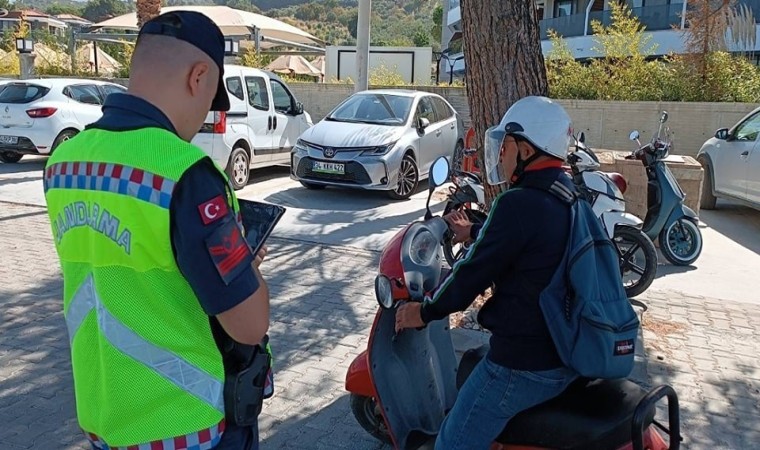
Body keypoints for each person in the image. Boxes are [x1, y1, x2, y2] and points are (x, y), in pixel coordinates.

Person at [42, 11, 270, 450]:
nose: (205, 114)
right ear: (199, 77)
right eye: (211, 99)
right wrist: (250, 269)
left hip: (104, 416)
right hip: (185, 425)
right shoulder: (185, 174)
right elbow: (249, 324)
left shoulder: (65, 162)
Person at [395, 96, 580, 449]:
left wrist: (423, 312)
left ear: (526, 149)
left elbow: (468, 278)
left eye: (506, 146)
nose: (501, 155)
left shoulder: (517, 202)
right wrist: (477, 233)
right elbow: (534, 250)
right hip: (563, 351)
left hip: (522, 364)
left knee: (451, 443)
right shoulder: (566, 193)